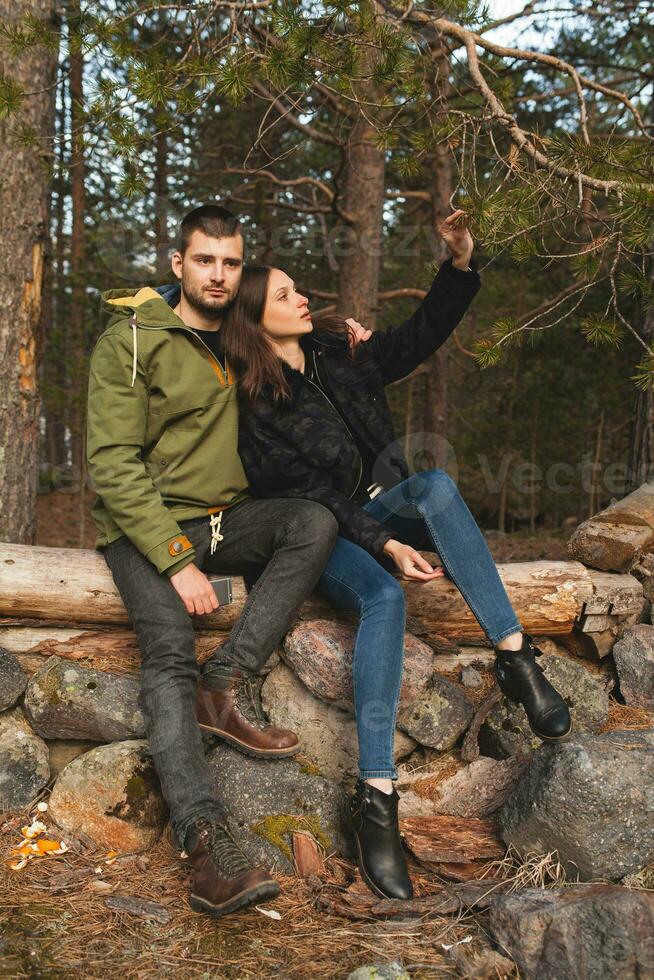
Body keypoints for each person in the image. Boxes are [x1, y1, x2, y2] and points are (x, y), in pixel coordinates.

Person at [221, 210, 572, 901]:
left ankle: (515, 659)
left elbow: (421, 336)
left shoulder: (342, 355)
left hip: (383, 511)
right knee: (383, 597)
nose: (303, 299)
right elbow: (311, 495)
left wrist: (460, 264)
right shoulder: (255, 404)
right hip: (321, 533)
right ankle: (376, 802)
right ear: (256, 320)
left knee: (435, 484)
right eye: (286, 295)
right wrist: (384, 543)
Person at [86, 204, 345, 918]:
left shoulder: (237, 334)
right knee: (168, 647)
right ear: (179, 264)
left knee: (312, 521)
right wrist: (176, 561)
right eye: (205, 260)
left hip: (226, 519)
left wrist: (342, 331)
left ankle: (223, 683)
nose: (219, 274)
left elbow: (296, 327)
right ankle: (205, 845)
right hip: (145, 529)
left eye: (231, 262)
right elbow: (111, 464)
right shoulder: (131, 341)